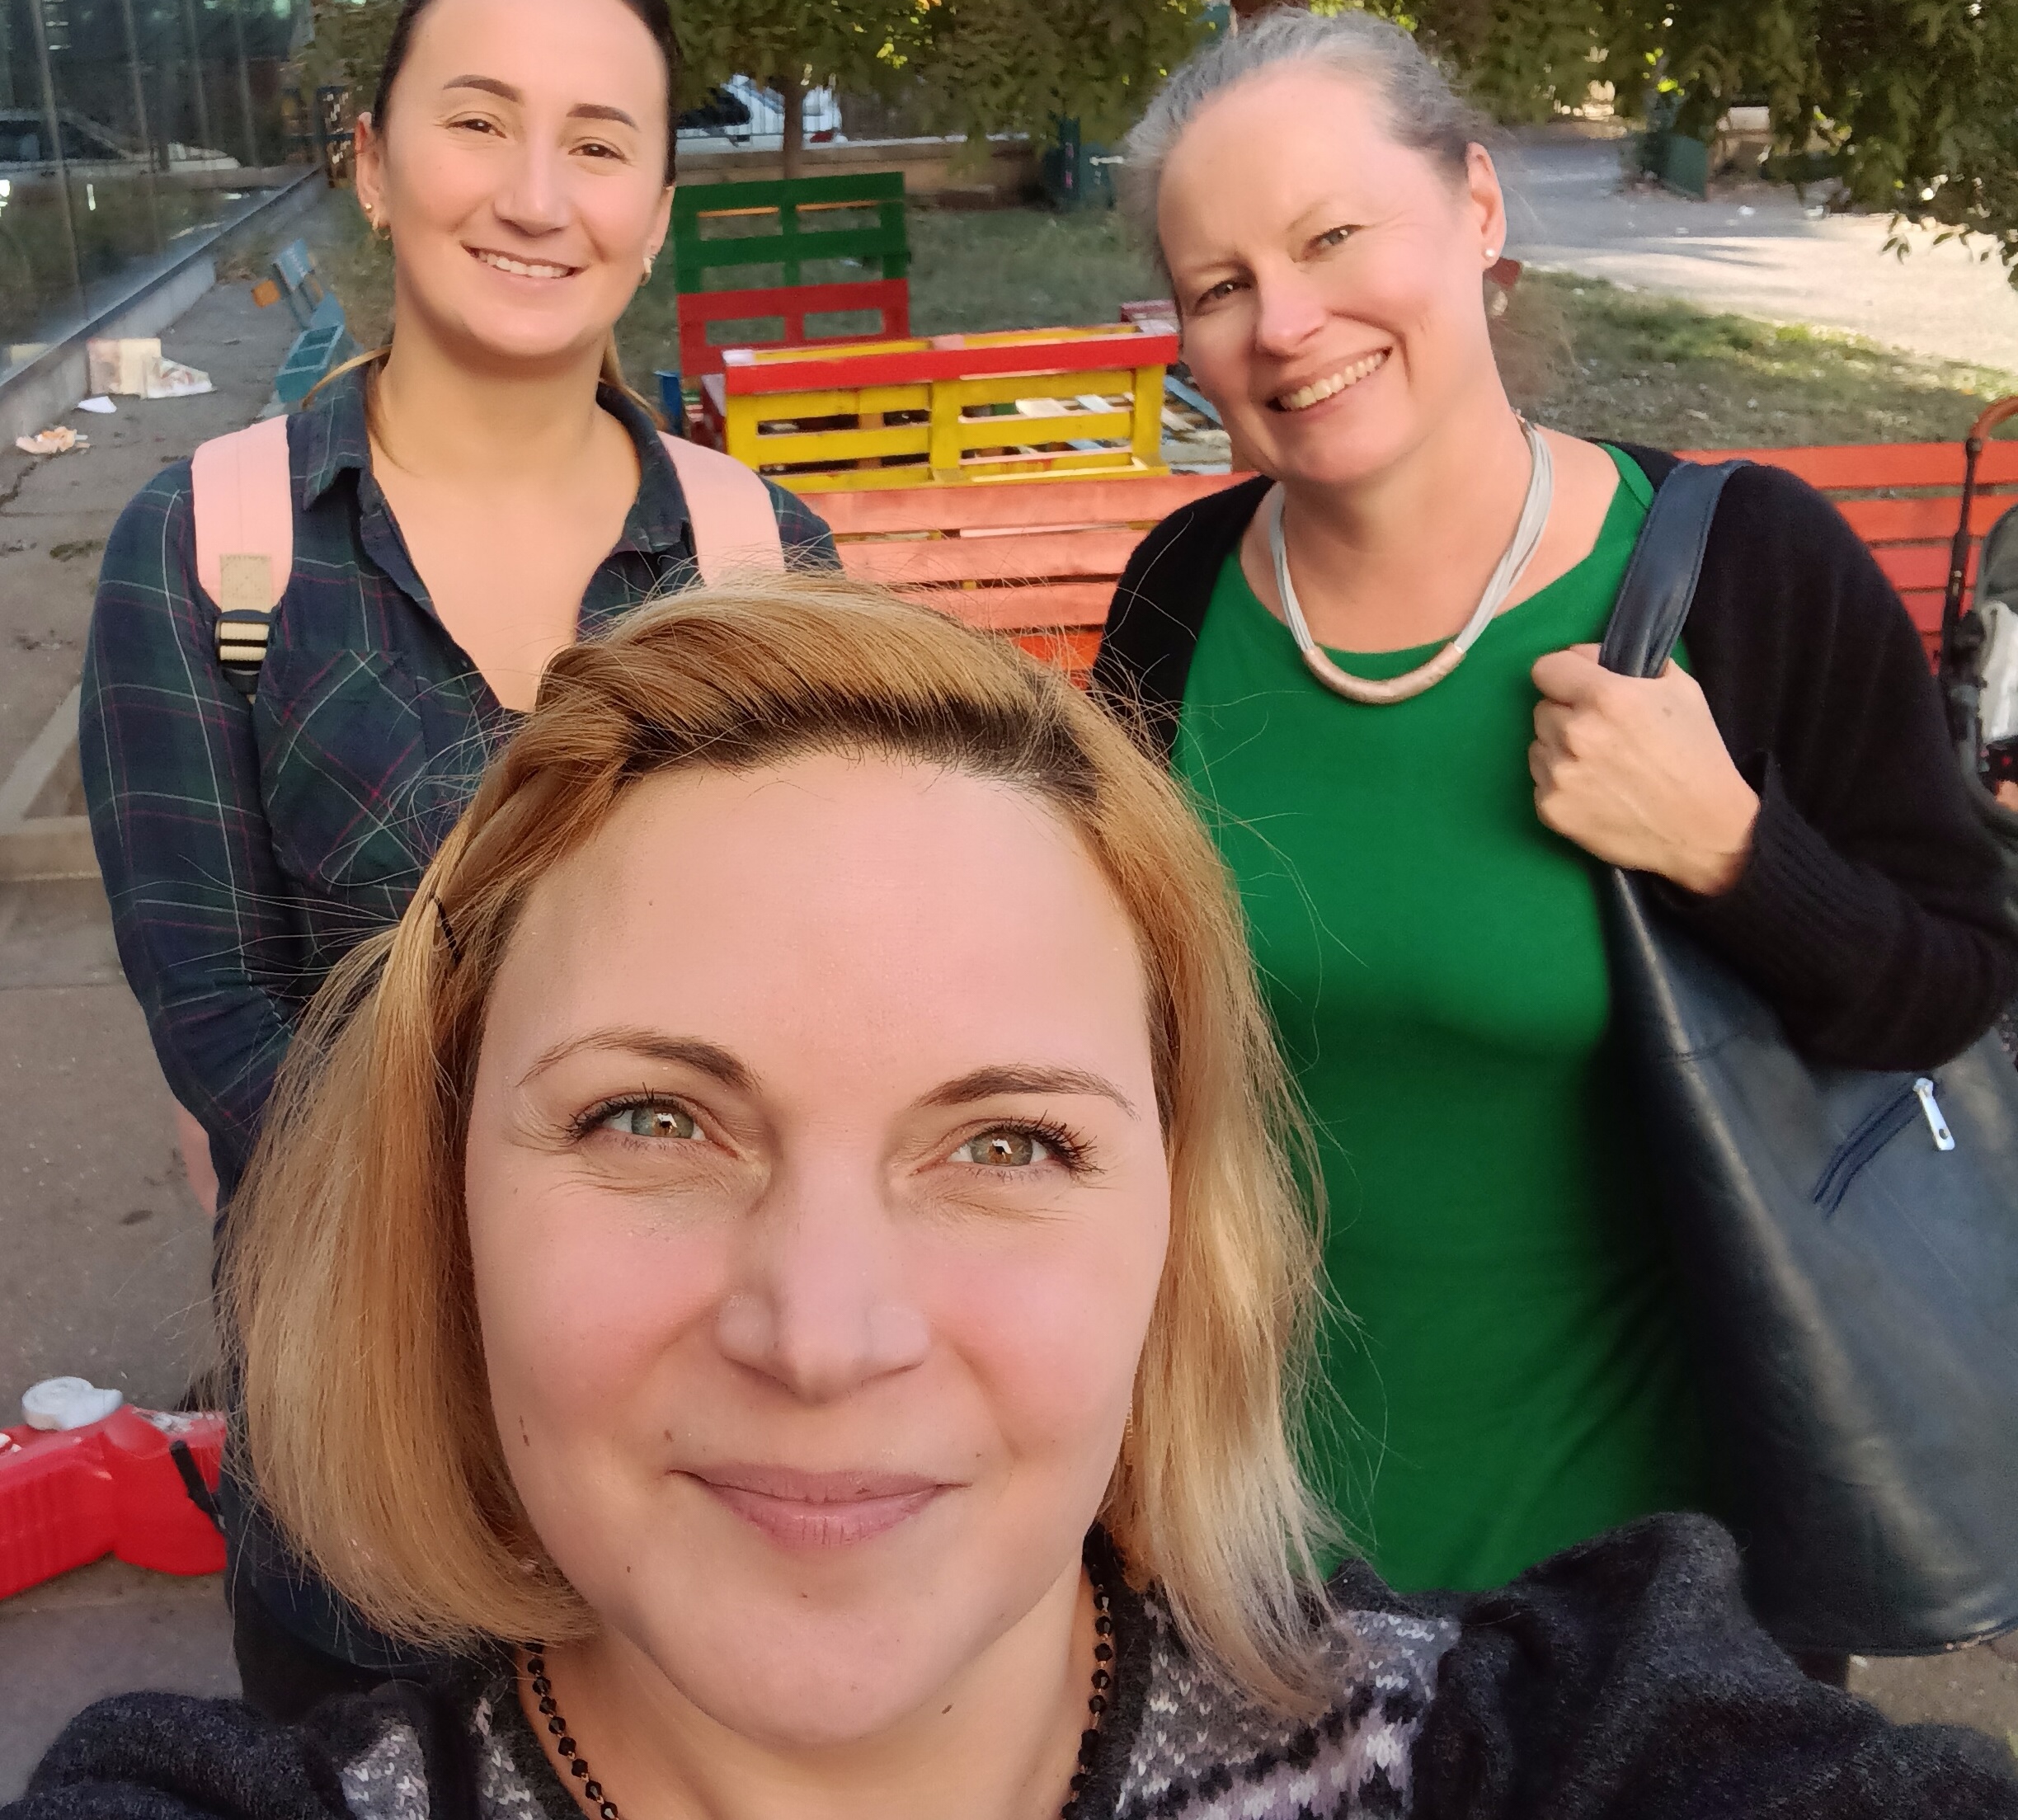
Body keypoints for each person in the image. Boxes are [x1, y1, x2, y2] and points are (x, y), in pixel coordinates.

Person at [16, 581, 2017, 1820]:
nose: (824, 1330)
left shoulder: (1543, 1749)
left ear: (1183, 1242)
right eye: (651, 1120)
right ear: (440, 1203)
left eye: (1007, 1143)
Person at [1091, 8, 2018, 1616]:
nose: (1289, 322)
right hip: (1244, 1564)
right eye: (1222, 287)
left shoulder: (1746, 571)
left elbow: (1959, 976)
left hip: (1651, 1604)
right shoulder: (1178, 601)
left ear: (1478, 208)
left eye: (1331, 237)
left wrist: (1734, 850)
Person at [76, 0, 835, 1707]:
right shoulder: (208, 549)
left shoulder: (760, 560)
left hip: (707, 1443)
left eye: (598, 144)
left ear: (655, 210)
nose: (533, 192)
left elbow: (826, 991)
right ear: (374, 161)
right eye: (477, 120)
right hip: (360, 1452)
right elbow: (216, 1009)